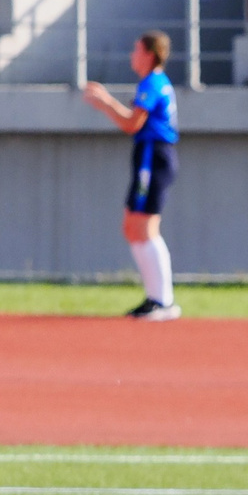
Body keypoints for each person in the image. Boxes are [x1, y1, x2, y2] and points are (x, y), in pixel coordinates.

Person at [80, 30, 182, 319]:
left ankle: (162, 301)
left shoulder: (152, 83)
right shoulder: (154, 83)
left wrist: (105, 102)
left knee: (144, 227)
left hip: (154, 156)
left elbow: (133, 123)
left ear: (149, 54)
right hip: (149, 156)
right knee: (132, 226)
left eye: (136, 50)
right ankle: (156, 298)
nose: (132, 55)